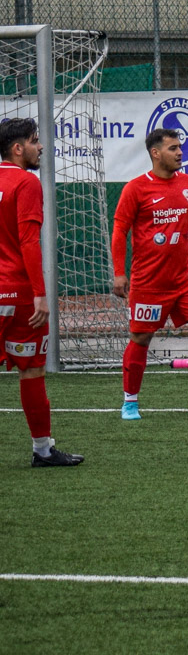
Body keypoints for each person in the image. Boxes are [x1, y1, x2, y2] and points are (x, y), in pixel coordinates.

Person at [112, 128, 188, 418]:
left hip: (185, 278)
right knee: (141, 338)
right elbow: (120, 231)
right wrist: (119, 273)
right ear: (155, 153)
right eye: (173, 148)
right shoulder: (135, 188)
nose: (180, 153)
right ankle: (130, 402)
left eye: (180, 147)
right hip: (149, 282)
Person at [0, 119, 81, 466]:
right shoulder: (26, 182)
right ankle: (43, 450)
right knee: (31, 370)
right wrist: (40, 294)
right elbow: (28, 241)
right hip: (17, 295)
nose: (41, 147)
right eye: (35, 141)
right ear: (18, 148)